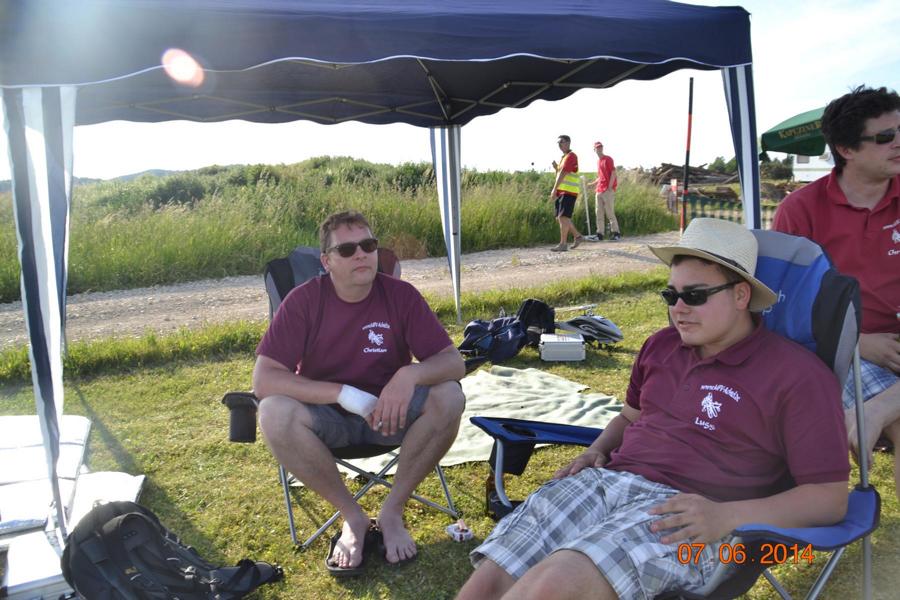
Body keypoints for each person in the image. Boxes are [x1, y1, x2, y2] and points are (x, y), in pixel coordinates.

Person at [456, 218, 849, 600]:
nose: (679, 309)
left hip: (695, 511)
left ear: (741, 295)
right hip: (606, 482)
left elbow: (829, 499)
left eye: (695, 296)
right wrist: (598, 449)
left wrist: (727, 516)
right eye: (671, 296)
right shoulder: (661, 346)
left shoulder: (797, 375)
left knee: (556, 582)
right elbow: (631, 416)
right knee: (489, 580)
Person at [253, 210, 466, 573]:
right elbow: (264, 380)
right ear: (327, 262)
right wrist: (343, 394)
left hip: (391, 415)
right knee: (273, 411)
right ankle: (352, 516)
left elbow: (453, 363)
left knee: (449, 396)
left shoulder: (401, 296)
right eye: (347, 249)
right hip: (327, 421)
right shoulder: (305, 301)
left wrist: (409, 374)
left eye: (368, 245)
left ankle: (392, 510)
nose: (361, 255)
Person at [772, 85, 900, 498]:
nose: (899, 143)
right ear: (846, 149)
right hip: (841, 347)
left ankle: (878, 409)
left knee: (890, 409)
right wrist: (858, 341)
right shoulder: (800, 210)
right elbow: (783, 309)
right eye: (886, 137)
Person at [549, 134, 585, 251]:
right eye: (558, 143)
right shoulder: (564, 157)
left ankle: (563, 244)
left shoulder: (571, 156)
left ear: (568, 143)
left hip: (569, 192)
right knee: (561, 217)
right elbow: (561, 173)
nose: (559, 144)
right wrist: (556, 168)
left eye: (561, 142)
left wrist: (554, 189)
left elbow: (564, 172)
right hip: (562, 192)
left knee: (563, 217)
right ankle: (578, 236)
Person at [586, 141, 621, 240]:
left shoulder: (608, 159)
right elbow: (600, 177)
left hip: (607, 190)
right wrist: (592, 184)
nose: (599, 149)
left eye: (600, 147)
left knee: (610, 212)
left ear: (602, 148)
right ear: (594, 149)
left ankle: (616, 233)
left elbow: (613, 173)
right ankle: (600, 234)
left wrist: (609, 187)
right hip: (599, 190)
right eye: (597, 147)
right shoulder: (598, 161)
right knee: (599, 213)